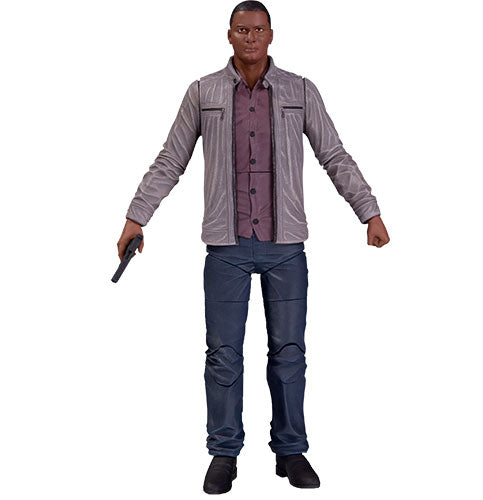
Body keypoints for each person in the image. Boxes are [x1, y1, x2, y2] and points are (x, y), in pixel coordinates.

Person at [117, 1, 390, 494]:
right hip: (226, 245)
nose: (250, 37)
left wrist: (368, 211)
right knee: (222, 355)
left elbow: (333, 154)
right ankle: (224, 453)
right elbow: (171, 159)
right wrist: (137, 216)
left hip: (285, 244)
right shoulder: (202, 92)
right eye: (241, 30)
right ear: (229, 35)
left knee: (290, 354)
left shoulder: (299, 90)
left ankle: (291, 451)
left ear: (271, 34)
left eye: (258, 29)